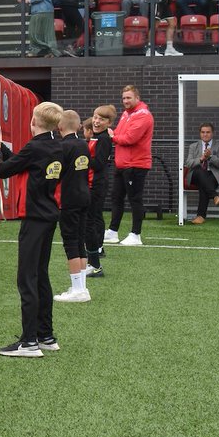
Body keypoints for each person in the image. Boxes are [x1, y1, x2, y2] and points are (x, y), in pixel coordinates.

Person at [0, 102, 63, 358]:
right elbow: (21, 161)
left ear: (34, 123)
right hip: (49, 215)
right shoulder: (57, 144)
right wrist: (2, 149)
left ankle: (29, 341)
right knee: (40, 276)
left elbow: (3, 170)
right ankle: (45, 335)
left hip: (34, 217)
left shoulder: (35, 146)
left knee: (26, 278)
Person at [105, 85, 154, 247]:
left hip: (136, 164)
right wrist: (116, 135)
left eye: (128, 98)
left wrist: (113, 136)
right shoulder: (127, 114)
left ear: (137, 98)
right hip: (122, 163)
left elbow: (129, 138)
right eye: (124, 98)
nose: (125, 101)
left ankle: (136, 234)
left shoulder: (143, 115)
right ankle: (112, 232)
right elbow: (121, 134)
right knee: (116, 197)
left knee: (135, 199)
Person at [54, 110, 92, 303]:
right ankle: (82, 287)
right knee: (79, 241)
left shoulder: (63, 147)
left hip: (69, 199)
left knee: (71, 242)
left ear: (59, 127)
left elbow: (57, 173)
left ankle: (77, 289)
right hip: (84, 195)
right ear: (78, 126)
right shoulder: (83, 144)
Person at [84, 107, 115, 277]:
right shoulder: (97, 137)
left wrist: (81, 156)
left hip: (96, 185)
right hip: (94, 183)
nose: (96, 121)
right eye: (95, 118)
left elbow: (99, 164)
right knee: (93, 219)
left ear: (108, 123)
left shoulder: (103, 139)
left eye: (101, 119)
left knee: (92, 221)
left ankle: (95, 263)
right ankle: (94, 256)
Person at [183, 122, 219, 225]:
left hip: (213, 176)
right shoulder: (193, 146)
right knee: (201, 172)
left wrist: (210, 157)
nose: (205, 134)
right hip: (195, 175)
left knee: (204, 184)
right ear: (200, 133)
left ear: (212, 133)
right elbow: (188, 163)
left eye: (208, 132)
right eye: (203, 132)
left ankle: (201, 216)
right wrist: (201, 159)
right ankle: (215, 196)